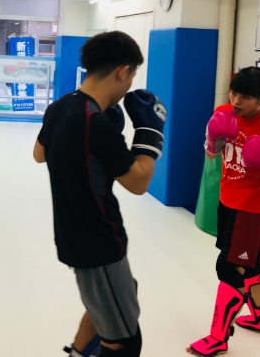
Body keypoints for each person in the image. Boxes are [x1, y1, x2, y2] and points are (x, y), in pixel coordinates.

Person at [32, 31, 166, 357]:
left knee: (109, 304)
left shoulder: (61, 107)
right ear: (122, 71)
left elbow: (39, 153)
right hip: (99, 242)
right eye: (131, 76)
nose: (129, 84)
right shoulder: (97, 124)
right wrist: (150, 132)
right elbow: (138, 183)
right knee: (123, 341)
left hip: (74, 235)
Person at [187, 67, 260, 356]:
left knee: (229, 269)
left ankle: (219, 337)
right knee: (250, 267)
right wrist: (213, 141)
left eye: (245, 97)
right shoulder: (223, 113)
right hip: (227, 203)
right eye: (233, 93)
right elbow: (211, 154)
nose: (236, 101)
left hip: (253, 212)